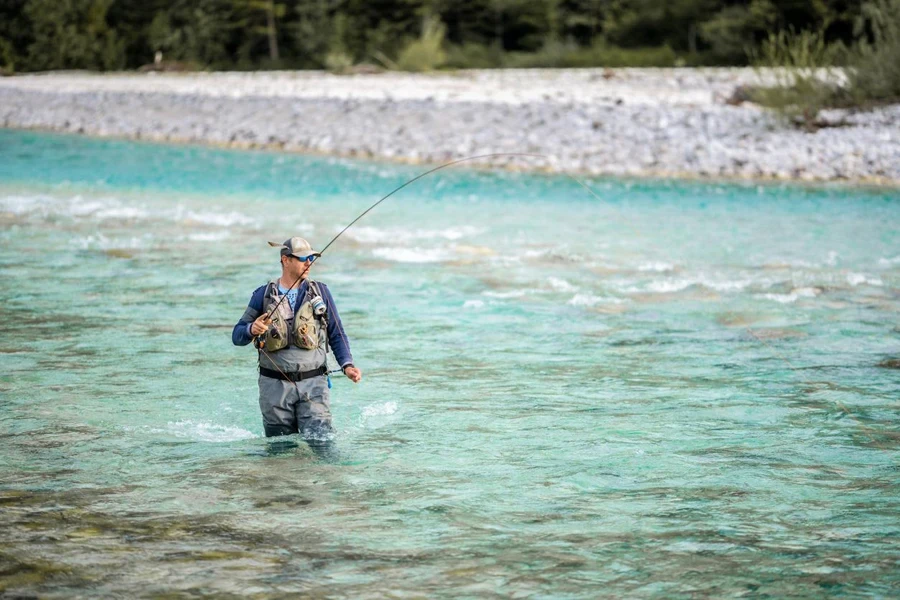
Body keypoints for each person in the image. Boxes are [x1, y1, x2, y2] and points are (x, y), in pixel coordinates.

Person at [232, 237, 362, 443]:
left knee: (322, 446)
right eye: (303, 259)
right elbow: (237, 336)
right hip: (274, 389)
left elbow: (337, 333)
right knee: (280, 452)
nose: (309, 263)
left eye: (311, 258)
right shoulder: (262, 295)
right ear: (285, 260)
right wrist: (251, 329)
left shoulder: (321, 292)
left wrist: (347, 365)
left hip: (314, 386)